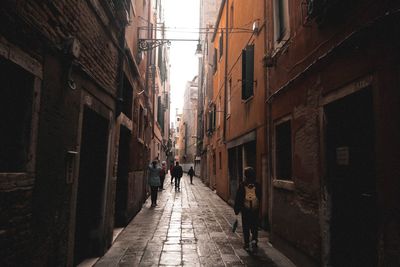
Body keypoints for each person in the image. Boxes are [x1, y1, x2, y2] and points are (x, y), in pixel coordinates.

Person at [234, 167, 261, 252]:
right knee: (254, 225)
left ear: (245, 175)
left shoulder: (242, 184)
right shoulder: (257, 184)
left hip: (245, 210)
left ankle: (246, 243)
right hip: (255, 209)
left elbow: (239, 197)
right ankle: (254, 240)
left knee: (246, 226)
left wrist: (237, 209)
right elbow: (260, 196)